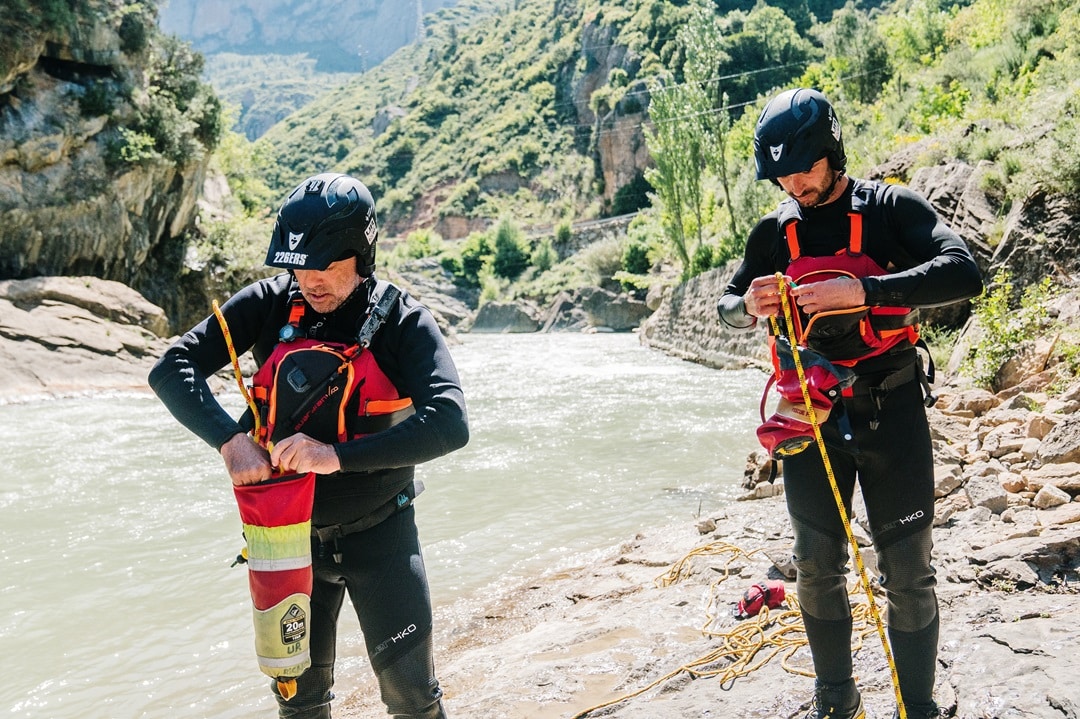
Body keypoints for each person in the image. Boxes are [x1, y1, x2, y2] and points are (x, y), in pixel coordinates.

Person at [149, 172, 469, 719]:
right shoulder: (271, 303)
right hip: (286, 543)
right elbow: (170, 368)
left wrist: (333, 458)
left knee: (413, 699)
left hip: (383, 535)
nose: (309, 280)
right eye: (298, 265)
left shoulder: (403, 321)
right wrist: (229, 441)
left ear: (361, 254)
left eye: (324, 266)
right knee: (300, 704)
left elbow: (450, 423)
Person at [717, 88, 983, 719]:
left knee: (909, 571)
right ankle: (834, 700)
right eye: (780, 172)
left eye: (803, 167)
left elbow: (962, 271)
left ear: (832, 152)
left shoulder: (891, 209)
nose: (792, 181)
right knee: (814, 565)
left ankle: (917, 706)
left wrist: (861, 288)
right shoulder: (773, 233)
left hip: (890, 408)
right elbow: (726, 305)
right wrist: (744, 306)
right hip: (810, 419)